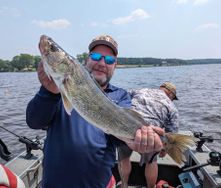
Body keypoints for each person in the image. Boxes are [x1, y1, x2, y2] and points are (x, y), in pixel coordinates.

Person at [26, 34, 164, 188]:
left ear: (114, 66)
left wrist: (139, 142)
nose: (102, 63)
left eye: (109, 60)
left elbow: (119, 139)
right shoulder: (57, 89)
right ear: (87, 60)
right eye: (96, 56)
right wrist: (48, 93)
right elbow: (34, 122)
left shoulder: (120, 96)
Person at [117, 82, 179, 188]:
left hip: (127, 127)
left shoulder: (140, 90)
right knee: (151, 162)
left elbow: (122, 97)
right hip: (151, 135)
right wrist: (164, 149)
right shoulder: (171, 105)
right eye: (173, 97)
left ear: (161, 88)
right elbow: (172, 132)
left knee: (124, 158)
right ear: (171, 94)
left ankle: (124, 185)